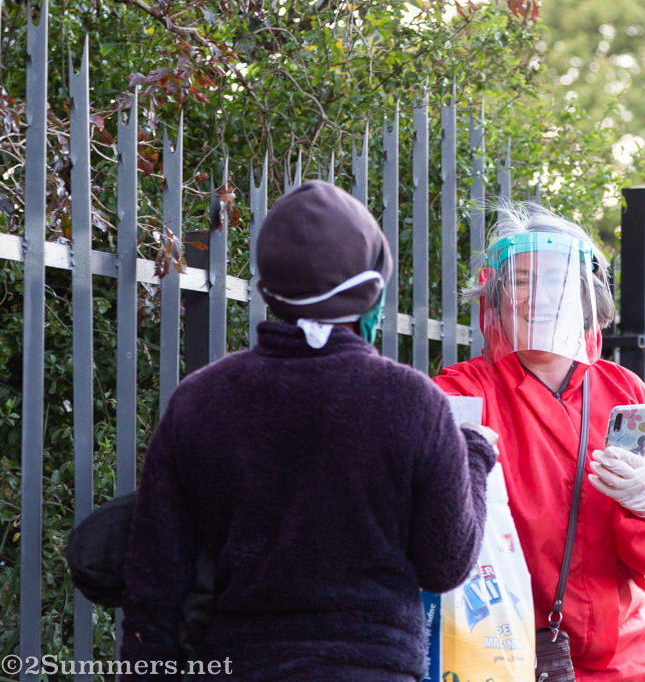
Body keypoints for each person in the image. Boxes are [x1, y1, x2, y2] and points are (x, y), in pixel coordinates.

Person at [121, 180, 497, 681]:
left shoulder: (201, 400)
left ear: (268, 287)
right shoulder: (412, 403)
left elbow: (153, 584)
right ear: (373, 285)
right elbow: (446, 565)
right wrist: (473, 453)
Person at [433, 200, 645, 682]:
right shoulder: (460, 393)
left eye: (557, 279)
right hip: (491, 653)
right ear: (495, 297)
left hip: (619, 661)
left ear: (588, 300)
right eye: (521, 280)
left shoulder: (625, 392)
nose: (539, 295)